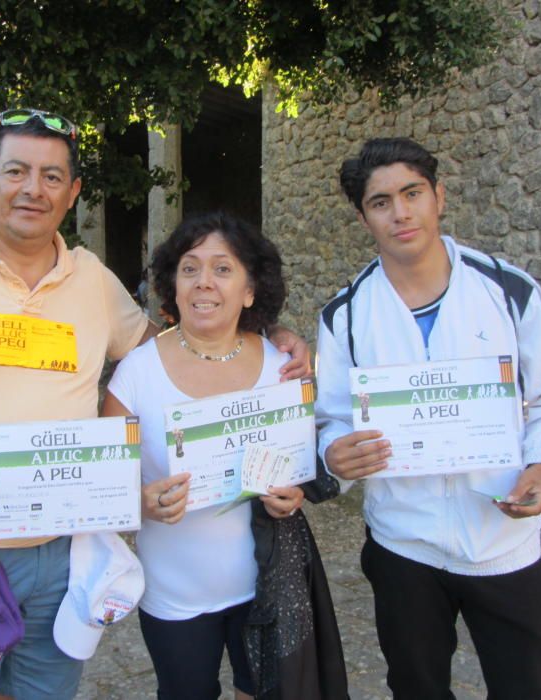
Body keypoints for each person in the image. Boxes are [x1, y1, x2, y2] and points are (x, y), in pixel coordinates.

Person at [0, 110, 310, 700]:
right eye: (17, 171)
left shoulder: (92, 281)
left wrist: (267, 334)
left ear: (73, 192)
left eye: (53, 176)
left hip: (66, 552)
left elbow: (180, 349)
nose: (34, 188)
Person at [315, 137, 541, 699]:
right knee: (416, 689)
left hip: (502, 542)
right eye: (381, 202)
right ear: (364, 217)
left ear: (438, 196)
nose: (401, 212)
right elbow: (334, 420)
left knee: (524, 689)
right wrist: (333, 454)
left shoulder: (507, 290)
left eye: (412, 193)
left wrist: (540, 468)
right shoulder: (344, 317)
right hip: (403, 547)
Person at [103, 212, 347, 700]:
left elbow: (301, 464)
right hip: (174, 593)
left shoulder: (284, 367)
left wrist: (291, 494)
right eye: (189, 269)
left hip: (264, 585)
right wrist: (142, 501)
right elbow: (107, 486)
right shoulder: (135, 373)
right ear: (173, 286)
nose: (203, 283)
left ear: (249, 290)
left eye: (222, 269)